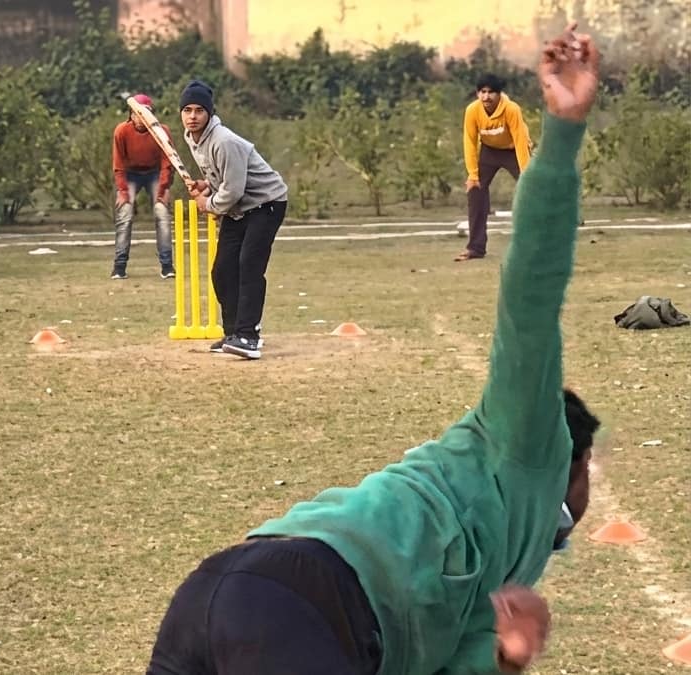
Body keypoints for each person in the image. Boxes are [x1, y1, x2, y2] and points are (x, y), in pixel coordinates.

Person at [147, 24, 602, 674]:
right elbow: (531, 293)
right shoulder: (530, 441)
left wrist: (505, 657)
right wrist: (562, 133)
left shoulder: (498, 537)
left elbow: (440, 654)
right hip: (313, 602)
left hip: (224, 588)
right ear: (574, 464)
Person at [180, 80, 288, 360]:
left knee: (249, 266)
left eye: (199, 111)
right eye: (187, 110)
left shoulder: (224, 140)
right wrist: (208, 184)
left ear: (210, 113)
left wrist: (208, 204)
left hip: (267, 203)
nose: (193, 116)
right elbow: (225, 177)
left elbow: (234, 189)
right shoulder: (192, 138)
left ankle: (249, 336)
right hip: (239, 208)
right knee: (223, 271)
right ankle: (233, 334)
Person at [457, 73, 533, 262]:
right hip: (489, 151)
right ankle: (475, 248)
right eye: (483, 92)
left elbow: (520, 140)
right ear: (477, 94)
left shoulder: (511, 109)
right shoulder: (473, 111)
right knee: (475, 191)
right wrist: (473, 175)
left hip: (513, 150)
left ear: (499, 94)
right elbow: (469, 141)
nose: (486, 97)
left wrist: (526, 173)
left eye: (491, 92)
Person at [111, 94, 176, 280]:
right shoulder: (122, 131)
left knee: (162, 213)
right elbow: (118, 164)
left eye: (145, 114)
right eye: (137, 114)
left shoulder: (161, 131)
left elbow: (167, 162)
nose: (141, 119)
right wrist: (123, 191)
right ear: (131, 115)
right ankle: (119, 266)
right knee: (125, 213)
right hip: (130, 173)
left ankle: (167, 266)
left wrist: (164, 188)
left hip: (154, 173)